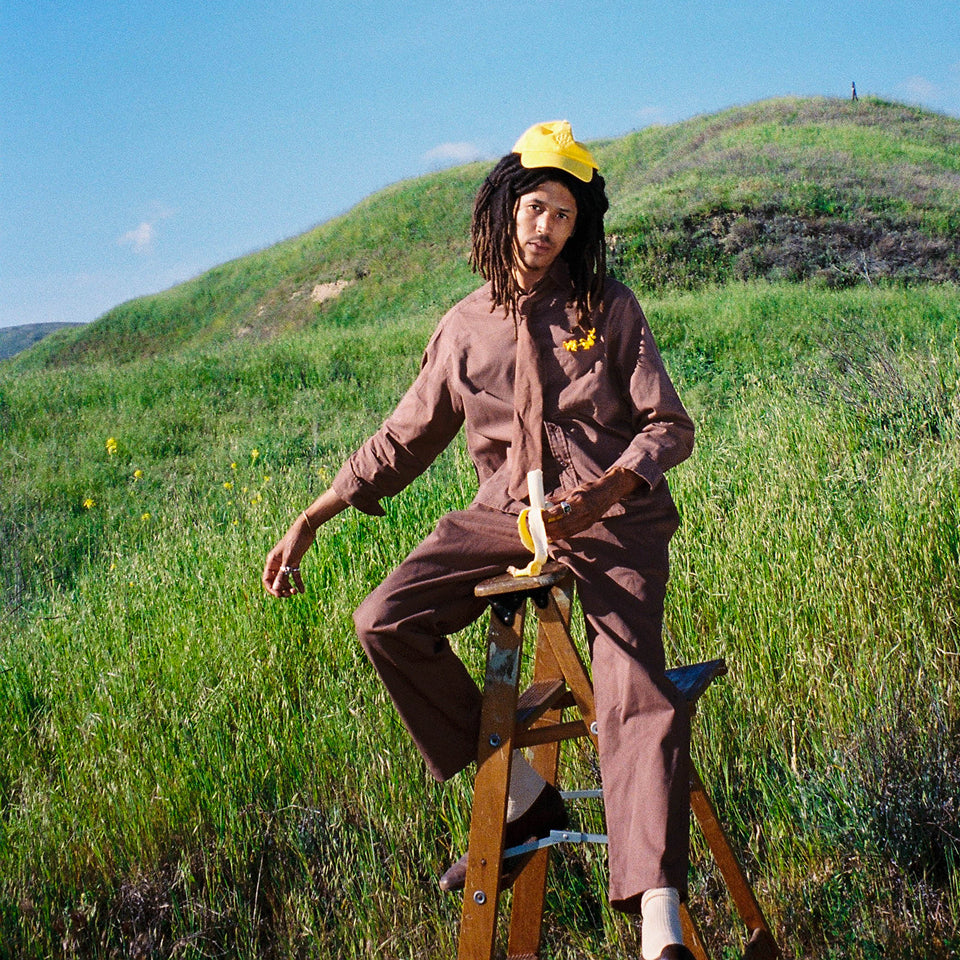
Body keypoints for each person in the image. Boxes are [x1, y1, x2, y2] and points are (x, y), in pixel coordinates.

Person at [263, 120, 696, 960]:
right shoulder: (464, 327)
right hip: (505, 517)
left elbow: (669, 426)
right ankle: (525, 793)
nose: (548, 228)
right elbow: (399, 442)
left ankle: (659, 922)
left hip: (610, 524)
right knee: (382, 619)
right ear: (505, 209)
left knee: (633, 688)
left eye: (565, 216)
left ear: (581, 228)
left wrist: (606, 490)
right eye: (536, 208)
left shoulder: (606, 308)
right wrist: (312, 517)